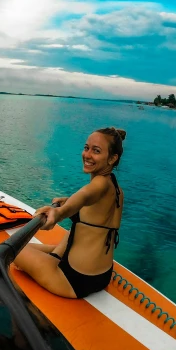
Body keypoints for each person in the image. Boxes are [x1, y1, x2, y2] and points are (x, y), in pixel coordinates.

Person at [13, 127, 125, 299]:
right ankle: (55, 253)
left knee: (14, 252)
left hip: (75, 279)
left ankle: (53, 256)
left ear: (112, 158)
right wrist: (67, 202)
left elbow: (84, 196)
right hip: (102, 275)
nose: (87, 155)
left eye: (96, 151)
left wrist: (58, 212)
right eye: (86, 148)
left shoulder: (100, 185)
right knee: (71, 230)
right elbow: (88, 205)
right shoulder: (116, 189)